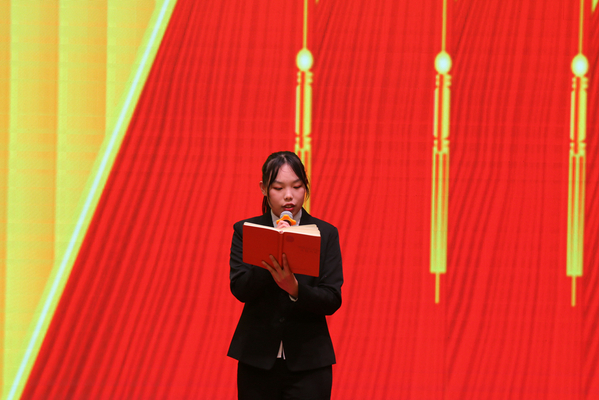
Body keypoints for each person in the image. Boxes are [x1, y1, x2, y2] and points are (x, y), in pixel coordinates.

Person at [228, 151, 344, 400]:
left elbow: (332, 299)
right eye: (278, 188)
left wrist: (295, 289)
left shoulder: (325, 233)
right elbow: (240, 288)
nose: (288, 196)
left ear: (306, 187)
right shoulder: (246, 231)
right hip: (257, 361)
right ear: (264, 188)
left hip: (309, 363)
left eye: (297, 186)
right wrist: (272, 248)